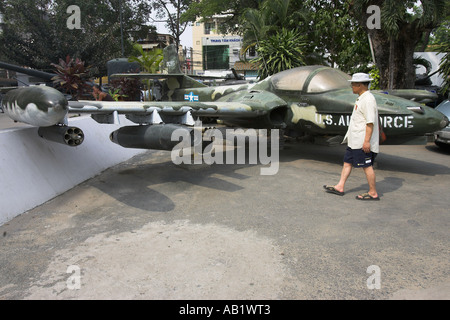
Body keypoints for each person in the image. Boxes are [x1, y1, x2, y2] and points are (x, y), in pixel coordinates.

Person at [324, 73, 380, 201]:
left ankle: (373, 192)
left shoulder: (368, 99)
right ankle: (340, 186)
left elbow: (370, 122)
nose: (351, 86)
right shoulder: (361, 98)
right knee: (347, 162)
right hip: (354, 141)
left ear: (360, 85)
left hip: (362, 141)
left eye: (353, 84)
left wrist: (366, 142)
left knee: (366, 166)